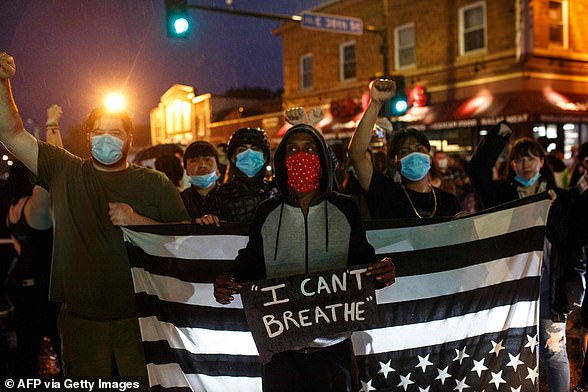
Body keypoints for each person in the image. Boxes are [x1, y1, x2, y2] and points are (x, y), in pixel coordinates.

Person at [0, 52, 189, 387]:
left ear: (129, 138)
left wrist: (138, 220)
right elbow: (12, 133)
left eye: (115, 131)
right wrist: (3, 82)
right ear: (88, 136)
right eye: (98, 131)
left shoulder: (155, 184)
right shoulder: (65, 170)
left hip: (141, 320)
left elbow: (183, 243)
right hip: (81, 321)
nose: (105, 138)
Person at [214, 123, 395, 392]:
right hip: (281, 352)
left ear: (322, 158)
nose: (301, 155)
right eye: (293, 150)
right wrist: (229, 278)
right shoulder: (267, 211)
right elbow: (251, 261)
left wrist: (382, 272)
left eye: (309, 149)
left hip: (334, 351)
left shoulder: (346, 209)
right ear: (282, 162)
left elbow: (363, 264)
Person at [468, 121, 585, 392]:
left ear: (542, 162)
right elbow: (476, 171)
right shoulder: (501, 195)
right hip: (509, 287)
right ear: (511, 165)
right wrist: (497, 138)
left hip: (549, 287)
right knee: (506, 353)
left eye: (531, 158)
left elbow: (573, 248)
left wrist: (571, 290)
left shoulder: (562, 199)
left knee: (554, 351)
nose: (525, 164)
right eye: (519, 159)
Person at [6, 104, 64, 379]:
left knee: (25, 354)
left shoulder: (13, 211)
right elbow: (52, 170)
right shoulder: (37, 210)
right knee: (64, 351)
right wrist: (52, 124)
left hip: (19, 285)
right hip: (44, 289)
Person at [348, 78, 461, 219]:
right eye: (404, 152)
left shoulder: (450, 202)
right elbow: (356, 154)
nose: (414, 155)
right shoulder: (385, 193)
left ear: (430, 159)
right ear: (396, 163)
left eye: (419, 149)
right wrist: (376, 103)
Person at [211, 127, 275, 223]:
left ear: (265, 158)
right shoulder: (216, 196)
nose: (249, 154)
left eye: (255, 149)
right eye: (242, 150)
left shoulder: (275, 192)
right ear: (233, 159)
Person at [180, 140, 222, 225]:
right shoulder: (180, 201)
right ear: (186, 169)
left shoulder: (231, 198)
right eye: (194, 160)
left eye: (207, 159)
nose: (202, 165)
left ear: (218, 167)